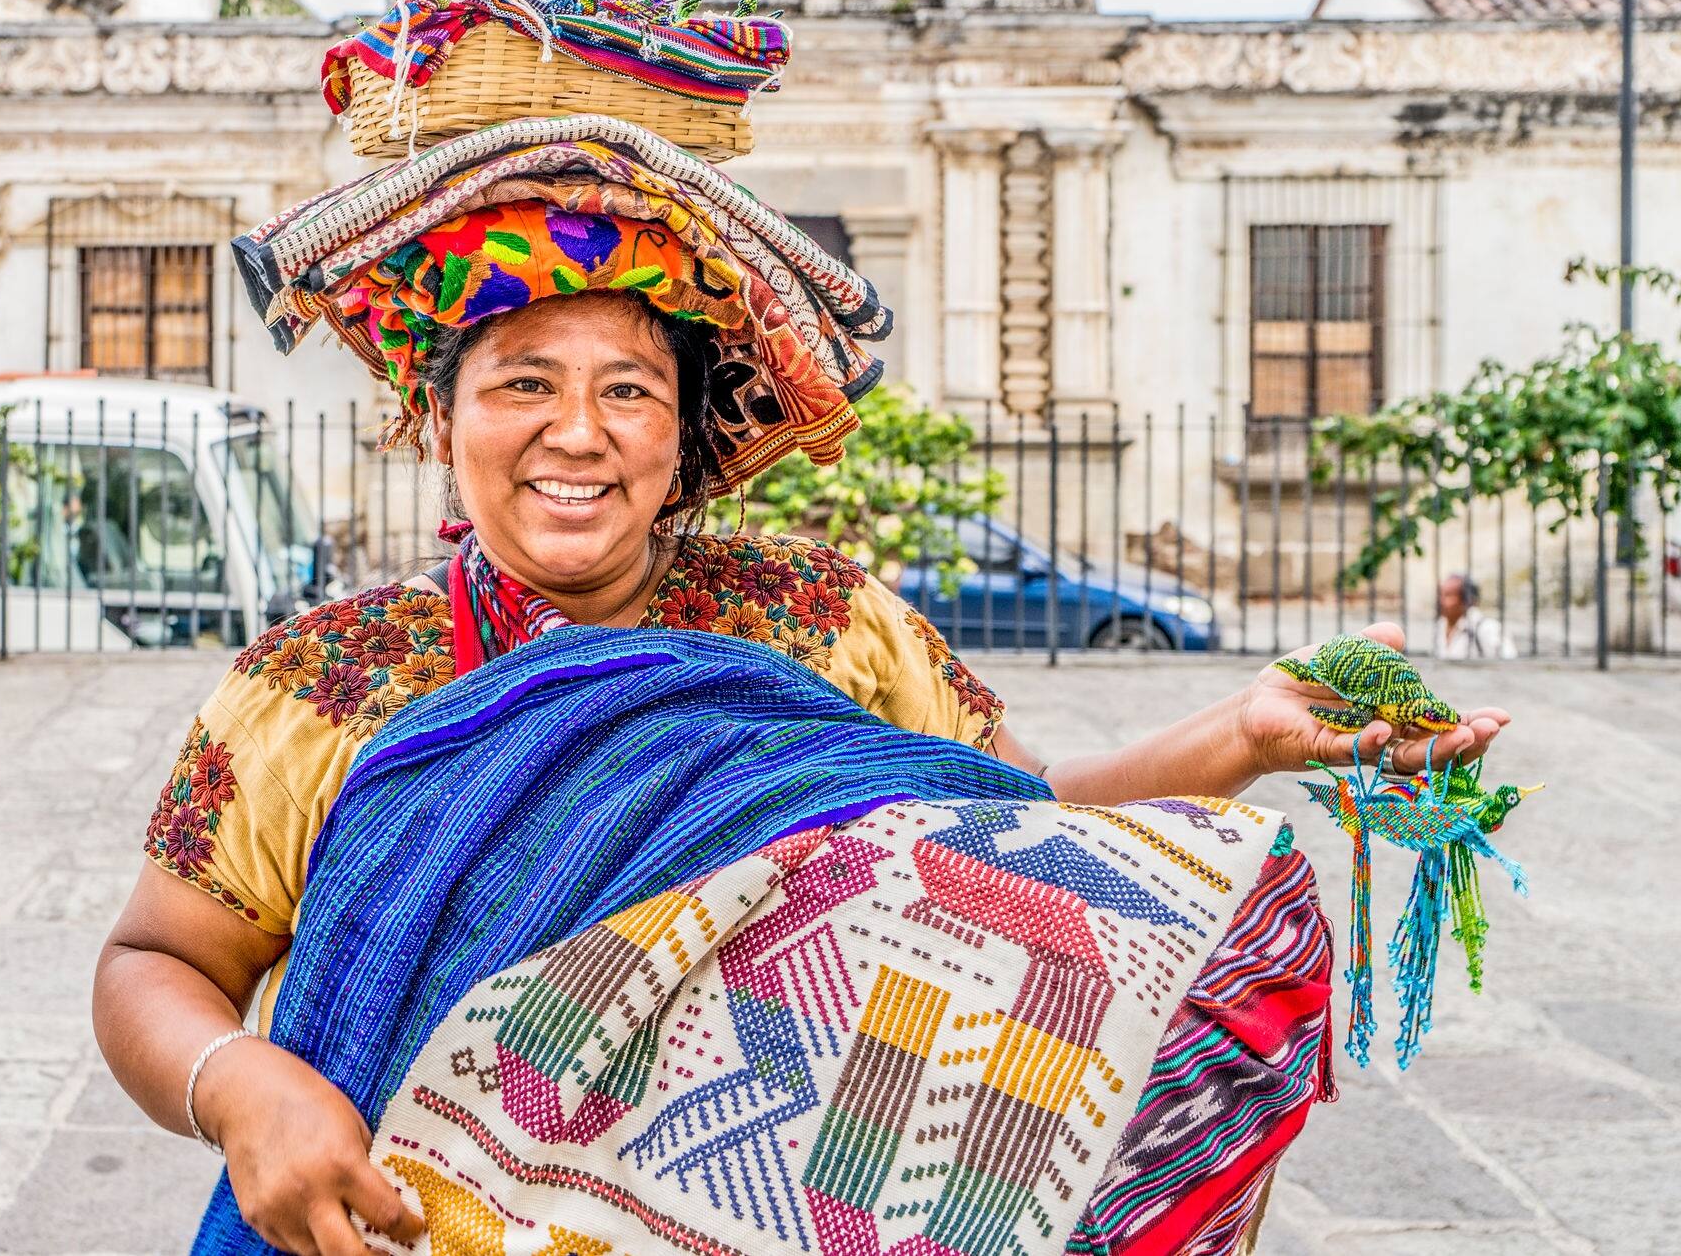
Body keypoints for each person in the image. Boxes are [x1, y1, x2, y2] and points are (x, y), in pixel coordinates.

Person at [91, 120, 1511, 1256]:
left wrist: (1246, 732)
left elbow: (1012, 834)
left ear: (689, 433)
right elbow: (157, 964)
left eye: (630, 390)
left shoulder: (825, 625)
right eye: (522, 381)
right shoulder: (319, 685)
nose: (575, 433)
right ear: (439, 415)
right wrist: (244, 1087)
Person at [1436, 573, 1519, 660]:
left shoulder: (1488, 628)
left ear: (1466, 600)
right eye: (1440, 595)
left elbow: (1510, 665)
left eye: (1448, 595)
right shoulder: (1440, 627)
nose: (1440, 601)